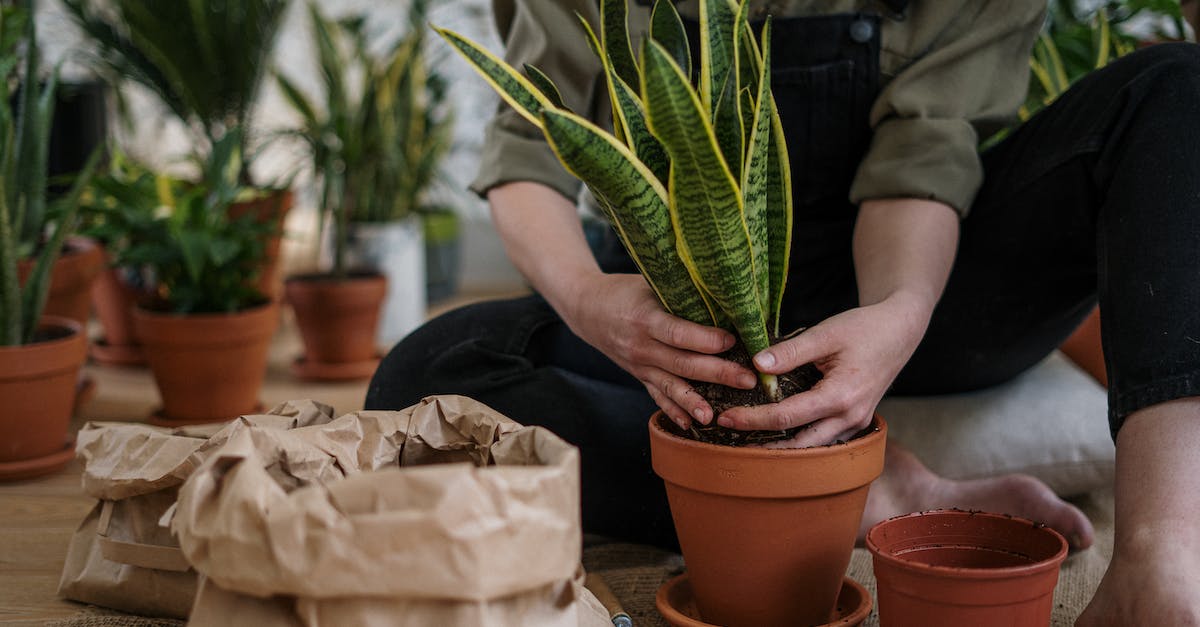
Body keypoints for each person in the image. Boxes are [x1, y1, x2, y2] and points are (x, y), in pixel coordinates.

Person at [367, 1, 1200, 623]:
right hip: (693, 314)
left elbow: (923, 156)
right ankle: (870, 492)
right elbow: (531, 150)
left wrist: (900, 315)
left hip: (927, 290)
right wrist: (592, 303)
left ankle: (1163, 560)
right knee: (426, 375)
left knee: (1173, 91)